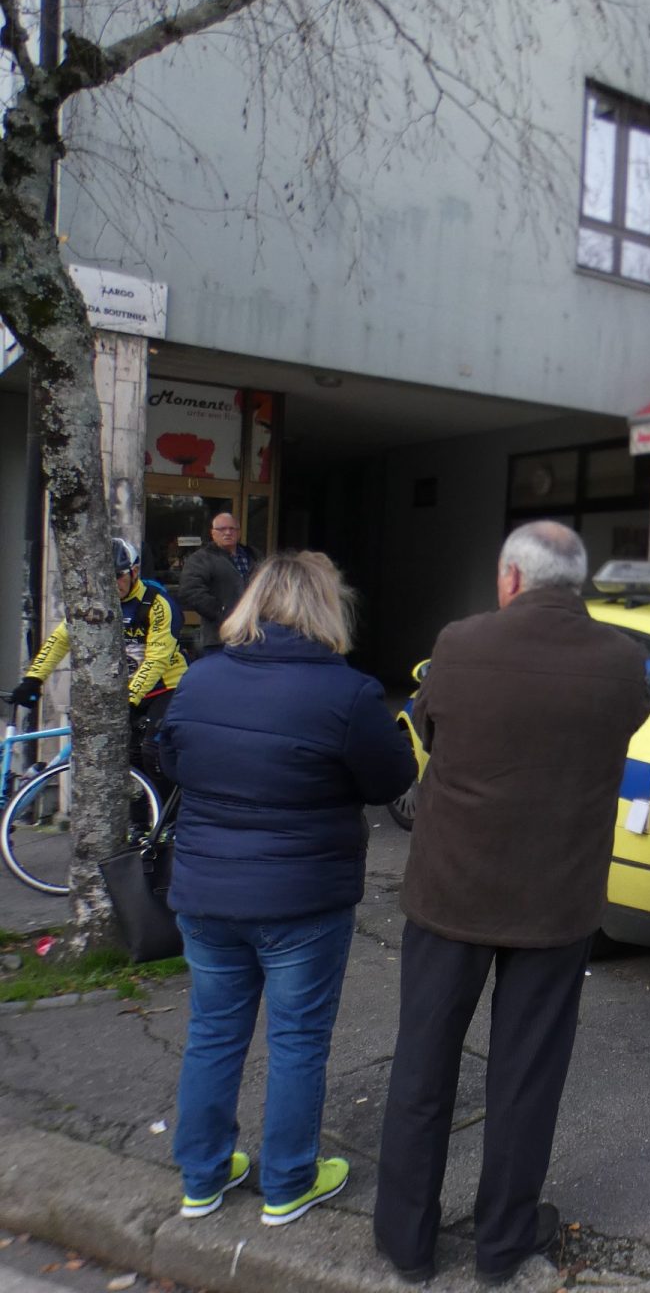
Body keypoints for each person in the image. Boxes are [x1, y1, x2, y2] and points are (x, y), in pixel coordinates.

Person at [374, 522, 650, 1286]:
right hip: (555, 903)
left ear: (510, 579)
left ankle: (407, 1241)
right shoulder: (623, 662)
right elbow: (627, 727)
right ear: (578, 582)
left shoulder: (459, 644)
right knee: (526, 1078)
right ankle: (502, 1245)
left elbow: (427, 725)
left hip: (452, 894)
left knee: (423, 1067)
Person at [157, 553, 416, 1226]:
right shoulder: (349, 693)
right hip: (303, 898)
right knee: (298, 1039)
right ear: (326, 608)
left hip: (207, 890)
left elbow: (172, 757)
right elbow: (390, 782)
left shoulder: (202, 678)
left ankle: (202, 1178)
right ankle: (288, 1182)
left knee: (213, 1033)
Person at [9, 537, 189, 784]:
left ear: (134, 571)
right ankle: (139, 820)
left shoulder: (157, 604)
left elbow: (157, 659)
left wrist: (129, 699)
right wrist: (33, 678)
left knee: (153, 750)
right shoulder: (93, 603)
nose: (112, 584)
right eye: (105, 577)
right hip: (125, 689)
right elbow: (60, 640)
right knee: (127, 755)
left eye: (118, 576)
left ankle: (168, 818)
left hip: (165, 687)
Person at [177, 512, 258, 655]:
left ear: (239, 532)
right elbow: (190, 591)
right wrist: (222, 612)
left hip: (254, 635)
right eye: (222, 529)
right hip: (218, 638)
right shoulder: (201, 559)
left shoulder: (254, 556)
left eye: (232, 529)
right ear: (213, 533)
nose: (228, 532)